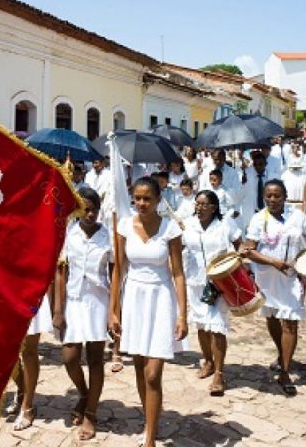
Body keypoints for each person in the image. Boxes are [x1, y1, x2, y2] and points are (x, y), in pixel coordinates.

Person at [109, 177, 187, 447]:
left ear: (158, 199)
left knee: (153, 374)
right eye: (137, 198)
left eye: (147, 198)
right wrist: (113, 311)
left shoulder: (171, 229)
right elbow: (118, 270)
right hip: (133, 298)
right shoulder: (123, 226)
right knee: (141, 369)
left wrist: (183, 314)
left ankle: (150, 440)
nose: (141, 203)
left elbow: (178, 272)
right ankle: (149, 419)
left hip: (161, 298)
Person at [240, 179, 306, 396]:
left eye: (277, 196)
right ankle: (281, 353)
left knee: (290, 322)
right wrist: (273, 262)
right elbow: (249, 250)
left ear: (285, 197)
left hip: (293, 277)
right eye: (268, 196)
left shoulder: (297, 217)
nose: (272, 200)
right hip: (268, 277)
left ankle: (284, 370)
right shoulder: (258, 219)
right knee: (273, 317)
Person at [52, 187, 111, 441]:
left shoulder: (108, 236)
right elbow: (61, 273)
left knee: (96, 358)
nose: (90, 214)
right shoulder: (69, 233)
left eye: (94, 209)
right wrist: (58, 309)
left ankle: (91, 412)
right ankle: (85, 393)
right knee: (69, 357)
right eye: (85, 208)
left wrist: (115, 311)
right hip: (74, 301)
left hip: (98, 300)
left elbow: (115, 272)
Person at [181, 190, 242, 396]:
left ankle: (219, 372)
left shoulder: (225, 224)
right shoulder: (188, 225)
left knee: (217, 327)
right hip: (196, 281)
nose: (199, 208)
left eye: (204, 204)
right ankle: (207, 360)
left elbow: (239, 245)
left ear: (214, 207)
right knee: (201, 324)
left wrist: (236, 265)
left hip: (219, 282)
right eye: (197, 204)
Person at [9, 286, 53, 430]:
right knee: (5, 350)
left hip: (30, 288)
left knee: (28, 350)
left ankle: (27, 406)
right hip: (3, 287)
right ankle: (22, 388)